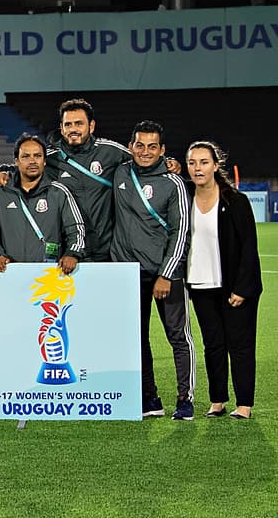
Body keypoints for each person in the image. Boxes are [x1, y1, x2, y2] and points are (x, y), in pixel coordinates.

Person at [111, 120, 193, 420]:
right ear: (131, 146)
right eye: (140, 145)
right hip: (128, 273)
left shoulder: (173, 183)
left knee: (177, 336)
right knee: (137, 337)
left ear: (162, 150)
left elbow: (180, 231)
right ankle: (150, 398)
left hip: (164, 275)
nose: (145, 151)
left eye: (152, 146)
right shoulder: (120, 171)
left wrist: (166, 274)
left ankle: (185, 399)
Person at [184, 140, 262, 419]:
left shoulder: (235, 200)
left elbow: (248, 248)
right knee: (213, 345)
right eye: (192, 162)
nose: (198, 168)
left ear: (216, 165)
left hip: (233, 288)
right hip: (200, 286)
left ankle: (244, 405)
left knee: (239, 346)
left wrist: (242, 287)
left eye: (204, 162)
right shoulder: (184, 199)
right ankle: (217, 401)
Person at [44, 98, 131, 262]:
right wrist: (3, 175)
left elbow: (144, 160)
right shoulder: (50, 159)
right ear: (61, 129)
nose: (73, 129)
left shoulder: (109, 151)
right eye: (68, 125)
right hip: (67, 253)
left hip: (105, 250)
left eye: (79, 123)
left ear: (91, 126)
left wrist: (168, 163)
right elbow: (21, 170)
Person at [0, 133, 85, 274]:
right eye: (26, 157)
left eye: (37, 156)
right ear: (16, 161)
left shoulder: (59, 192)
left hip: (49, 273)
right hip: (9, 273)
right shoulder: (0, 194)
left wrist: (72, 253)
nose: (32, 161)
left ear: (44, 161)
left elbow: (75, 228)